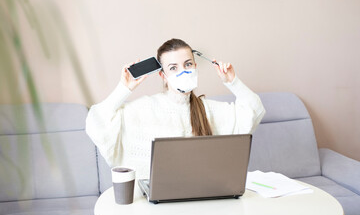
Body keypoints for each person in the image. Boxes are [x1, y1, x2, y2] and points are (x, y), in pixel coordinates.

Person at [85, 38, 266, 179]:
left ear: (195, 67)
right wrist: (124, 89)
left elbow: (254, 110)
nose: (183, 71)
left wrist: (233, 82)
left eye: (188, 64)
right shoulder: (144, 108)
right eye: (173, 67)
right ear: (163, 75)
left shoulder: (209, 110)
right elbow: (96, 121)